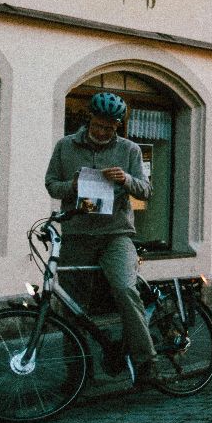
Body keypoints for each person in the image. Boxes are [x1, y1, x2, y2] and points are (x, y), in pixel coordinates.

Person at [44, 92, 158, 385]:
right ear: (89, 120)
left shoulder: (129, 150)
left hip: (115, 234)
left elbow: (146, 191)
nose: (102, 132)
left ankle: (147, 364)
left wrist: (126, 180)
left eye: (109, 127)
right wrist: (73, 185)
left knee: (124, 289)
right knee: (71, 306)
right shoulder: (65, 146)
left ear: (117, 125)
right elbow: (51, 186)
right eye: (98, 125)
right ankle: (78, 375)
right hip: (77, 234)